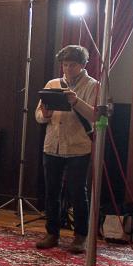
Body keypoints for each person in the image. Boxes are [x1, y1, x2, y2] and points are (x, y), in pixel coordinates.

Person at [34, 45, 99, 254]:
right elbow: (38, 115)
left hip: (78, 147)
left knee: (77, 192)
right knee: (51, 191)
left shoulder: (94, 86)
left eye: (72, 65)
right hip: (52, 144)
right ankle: (52, 232)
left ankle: (81, 236)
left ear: (82, 65)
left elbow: (96, 116)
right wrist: (45, 114)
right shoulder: (53, 84)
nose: (67, 69)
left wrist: (75, 101)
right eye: (64, 65)